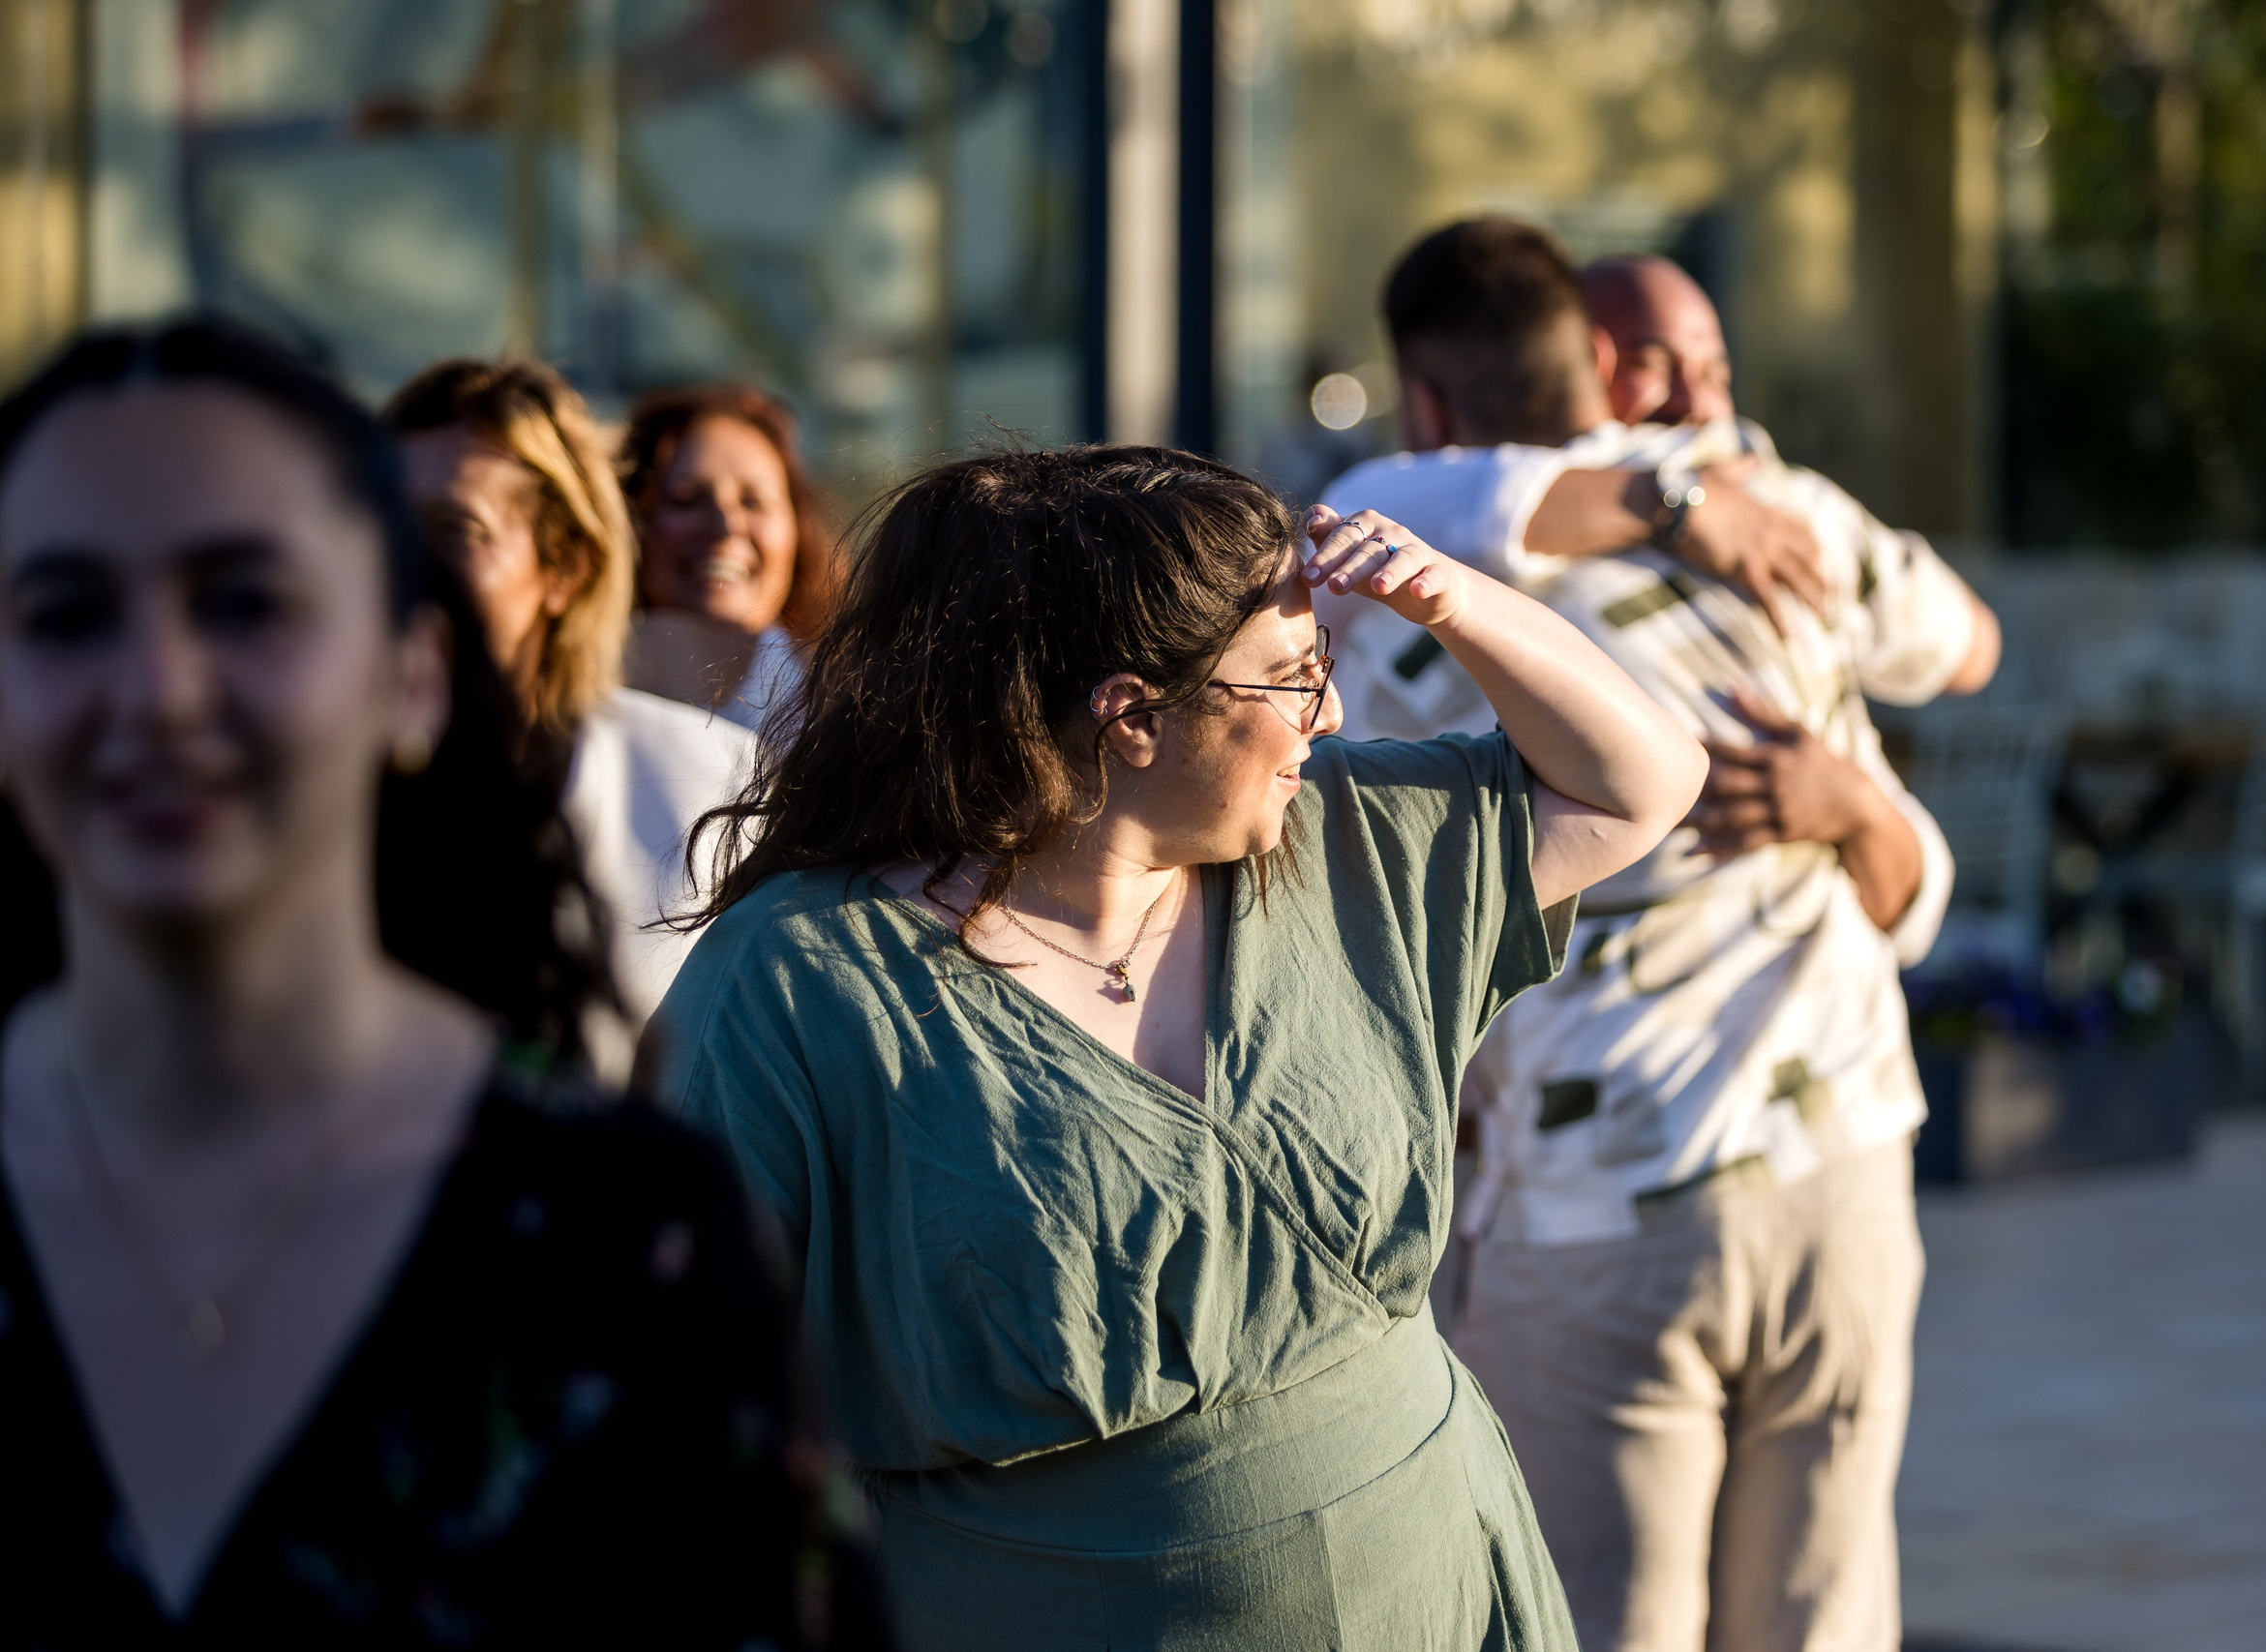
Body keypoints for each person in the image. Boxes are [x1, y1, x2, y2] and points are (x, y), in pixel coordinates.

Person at [643, 443, 1708, 1650]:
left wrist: (1453, 600)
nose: (1331, 714)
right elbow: (676, 1388)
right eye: (1295, 677)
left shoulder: (1343, 840)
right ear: (1134, 717)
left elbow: (1642, 783)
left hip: (1444, 1590)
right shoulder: (800, 979)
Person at [0, 318, 798, 1644]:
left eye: (247, 602)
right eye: (65, 611)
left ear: (410, 672)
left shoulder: (627, 1230)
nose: (158, 690)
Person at [1320, 220, 1999, 1652]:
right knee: (1824, 1617)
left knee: (1595, 1618)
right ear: (1600, 359)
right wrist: (1718, 489)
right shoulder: (1784, 514)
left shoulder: (1399, 582)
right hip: (1842, 1168)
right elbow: (1964, 645)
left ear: (1424, 400)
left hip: (1600, 1199)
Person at [383, 360, 757, 1078]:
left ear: (565, 568)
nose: (402, 565)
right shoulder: (289, 783)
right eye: (382, 525)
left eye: (453, 530)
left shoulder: (717, 793)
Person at [619, 383, 838, 733]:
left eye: (754, 502)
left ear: (798, 531)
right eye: (686, 499)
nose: (726, 527)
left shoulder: (854, 710)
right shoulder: (560, 705)